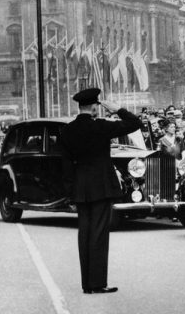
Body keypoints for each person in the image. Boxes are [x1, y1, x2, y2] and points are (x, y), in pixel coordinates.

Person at [59, 88, 141, 294]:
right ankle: (97, 283)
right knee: (99, 234)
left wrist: (70, 193)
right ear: (95, 107)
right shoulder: (101, 126)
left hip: (80, 187)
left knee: (84, 234)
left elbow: (65, 165)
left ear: (80, 107)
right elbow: (135, 123)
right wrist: (118, 109)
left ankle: (87, 284)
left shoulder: (67, 130)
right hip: (101, 186)